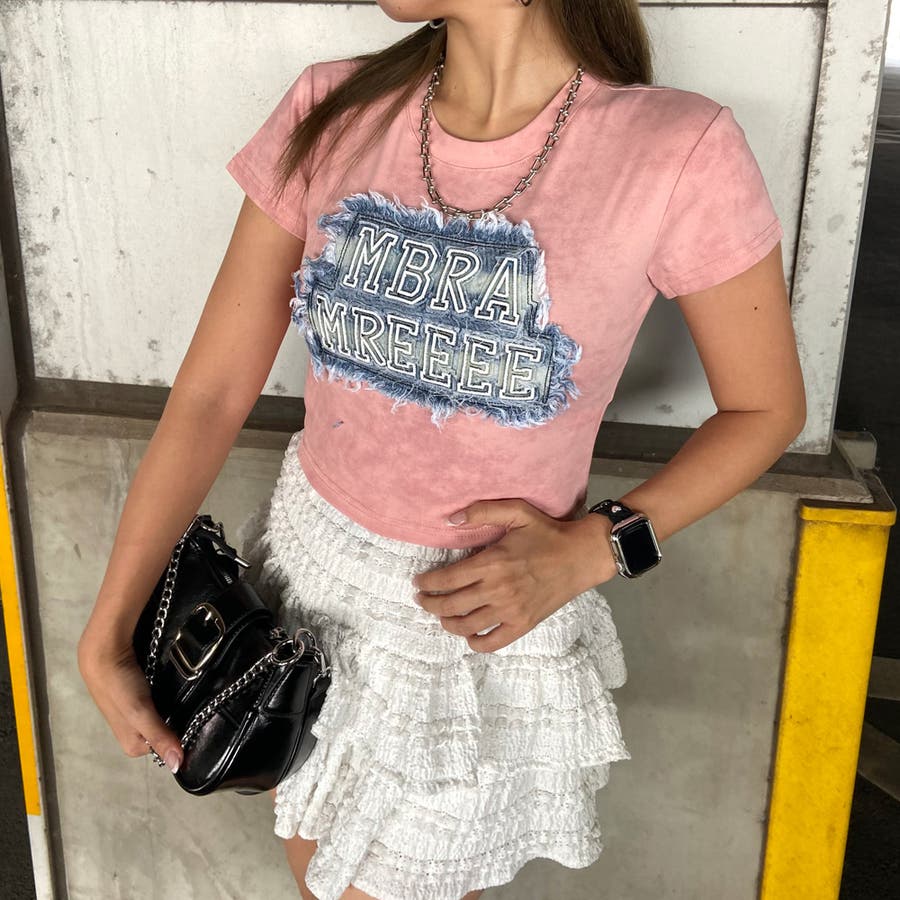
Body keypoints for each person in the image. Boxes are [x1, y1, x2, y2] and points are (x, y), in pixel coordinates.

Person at [77, 1, 806, 898]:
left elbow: (767, 408)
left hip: (468, 633)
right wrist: (108, 631)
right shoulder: (333, 109)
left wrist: (596, 548)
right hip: (306, 583)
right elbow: (210, 394)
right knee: (316, 869)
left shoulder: (674, 148)